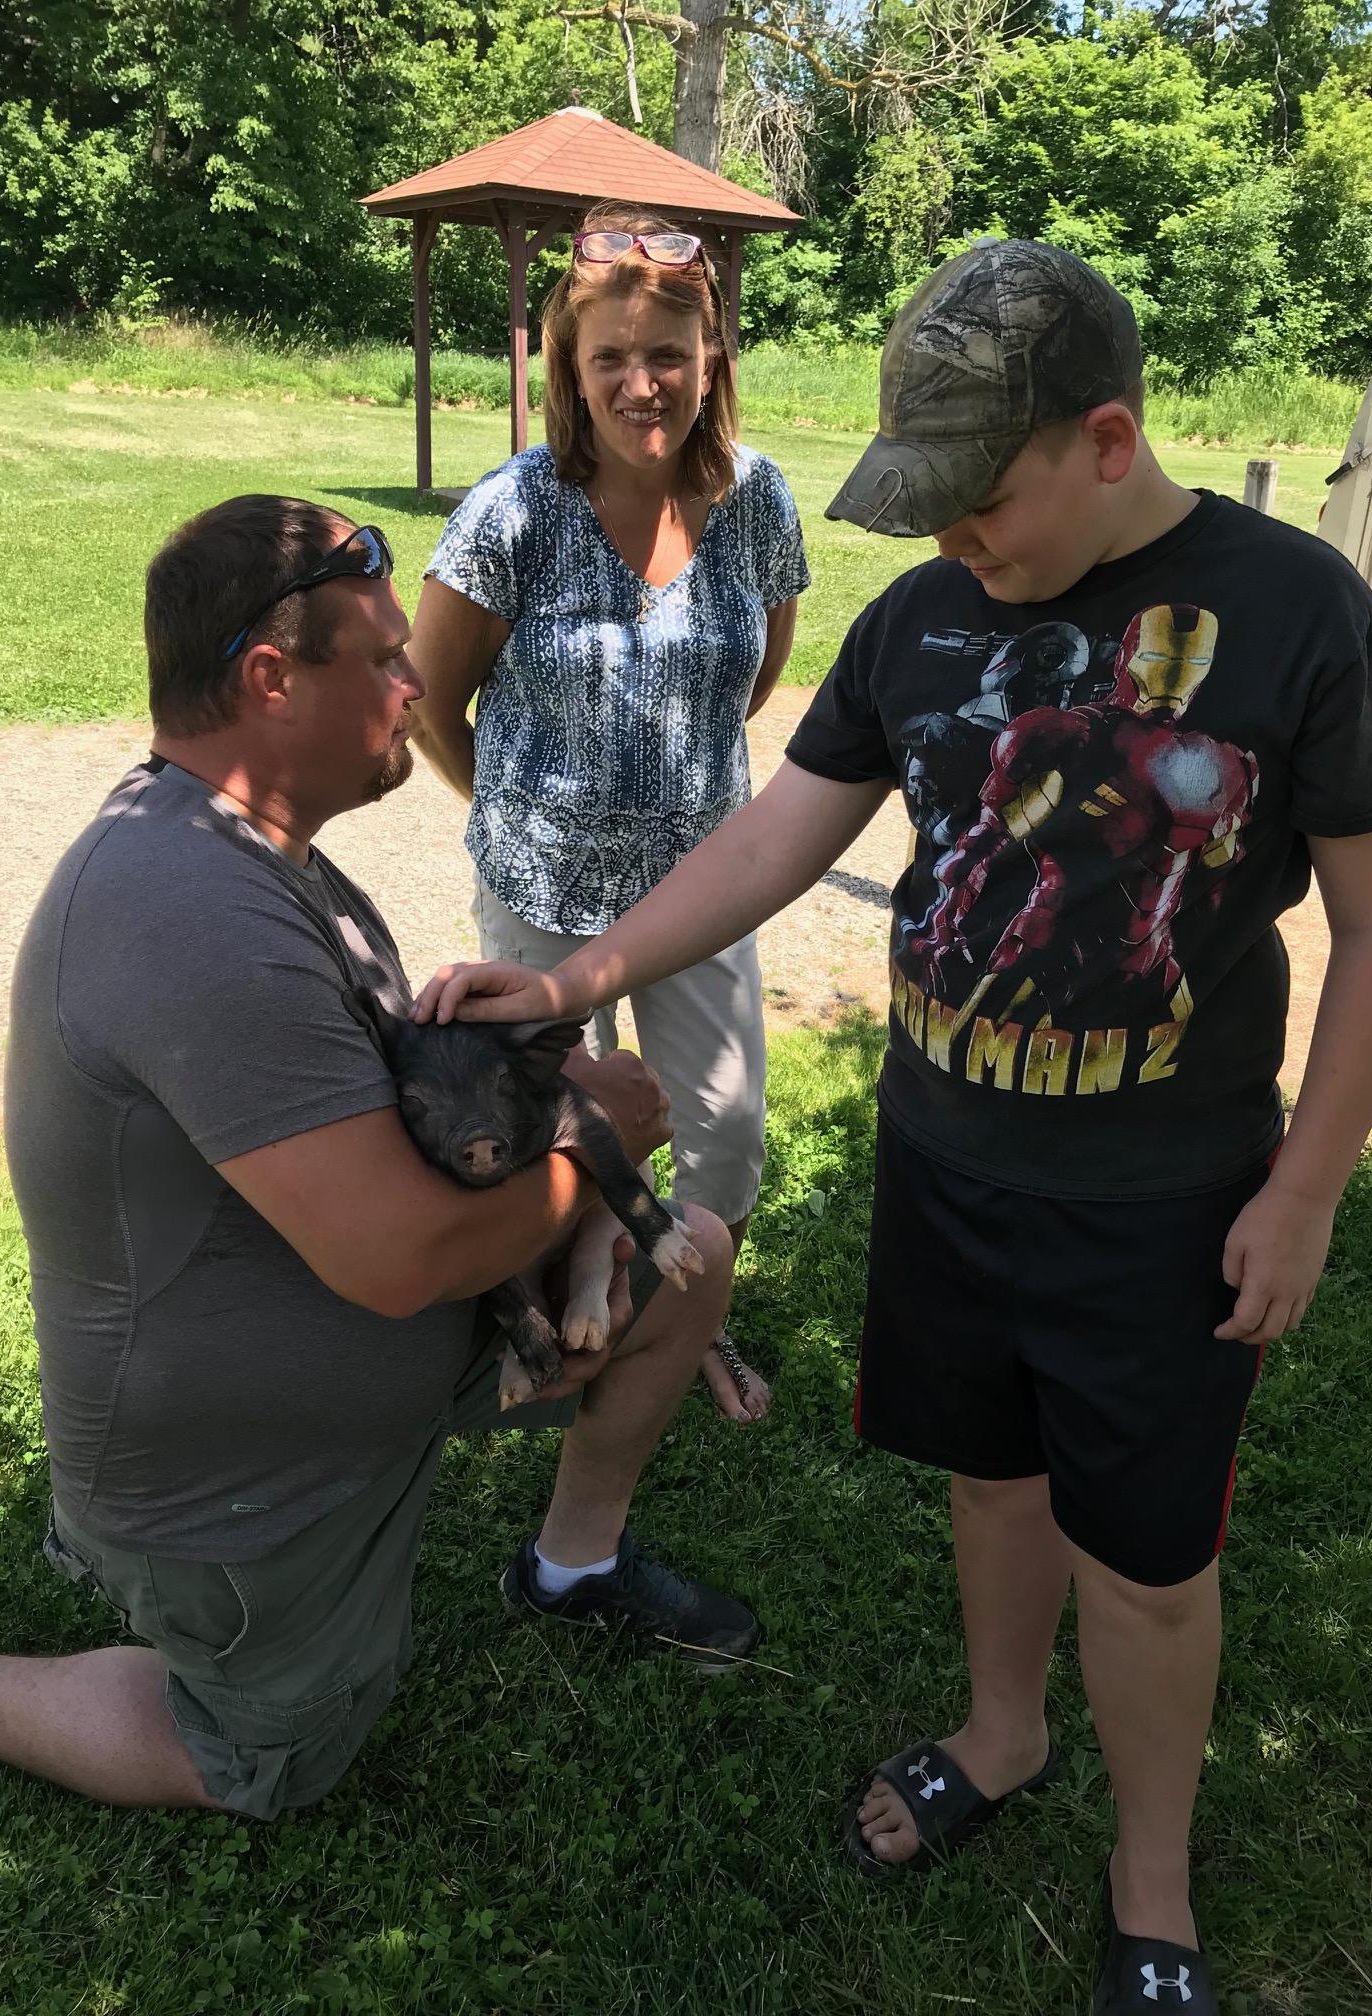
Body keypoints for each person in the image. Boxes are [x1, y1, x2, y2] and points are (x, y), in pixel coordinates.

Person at [410, 242, 1372, 2013]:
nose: (954, 536)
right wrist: (578, 984)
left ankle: (1152, 1886)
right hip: (950, 1168)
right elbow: (770, 840)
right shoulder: (918, 619)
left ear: (1104, 439)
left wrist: (1306, 1182)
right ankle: (1000, 1731)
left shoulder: (1293, 610)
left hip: (1168, 1204)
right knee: (991, 1479)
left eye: (981, 500)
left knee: (1147, 1555)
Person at [0, 495, 759, 1822]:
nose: (415, 682)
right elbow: (404, 1258)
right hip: (234, 1488)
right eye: (381, 658)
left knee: (689, 1260)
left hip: (375, 1365)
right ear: (271, 680)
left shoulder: (251, 850)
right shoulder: (190, 911)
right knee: (266, 1758)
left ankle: (572, 1562)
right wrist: (600, 1138)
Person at [409, 201, 811, 1424]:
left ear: (712, 360)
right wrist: (508, 810)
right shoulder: (513, 511)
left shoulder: (758, 499)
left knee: (727, 1129)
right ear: (571, 375)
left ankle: (691, 1319)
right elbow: (429, 698)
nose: (643, 384)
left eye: (669, 357)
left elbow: (760, 669)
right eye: (611, 361)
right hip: (537, 891)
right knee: (544, 1129)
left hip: (703, 883)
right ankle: (547, 1316)